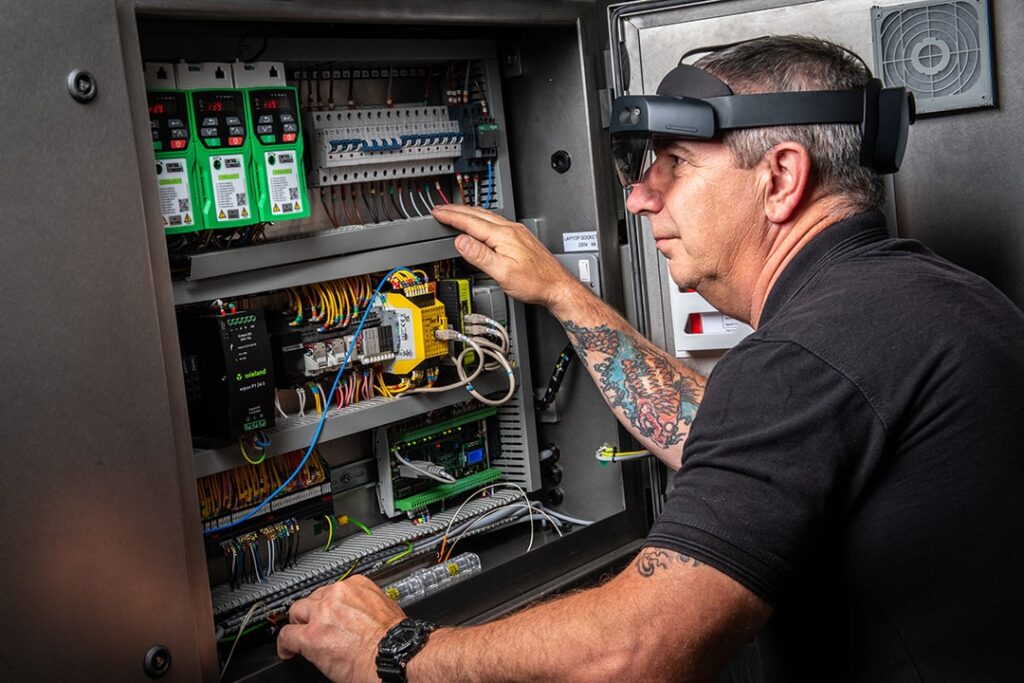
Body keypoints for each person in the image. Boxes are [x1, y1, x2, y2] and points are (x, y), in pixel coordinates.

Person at [277, 36, 1024, 682]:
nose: (640, 197)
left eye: (674, 161)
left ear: (781, 179)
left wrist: (394, 649)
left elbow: (637, 654)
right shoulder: (930, 301)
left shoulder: (807, 355)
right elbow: (730, 437)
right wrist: (565, 297)